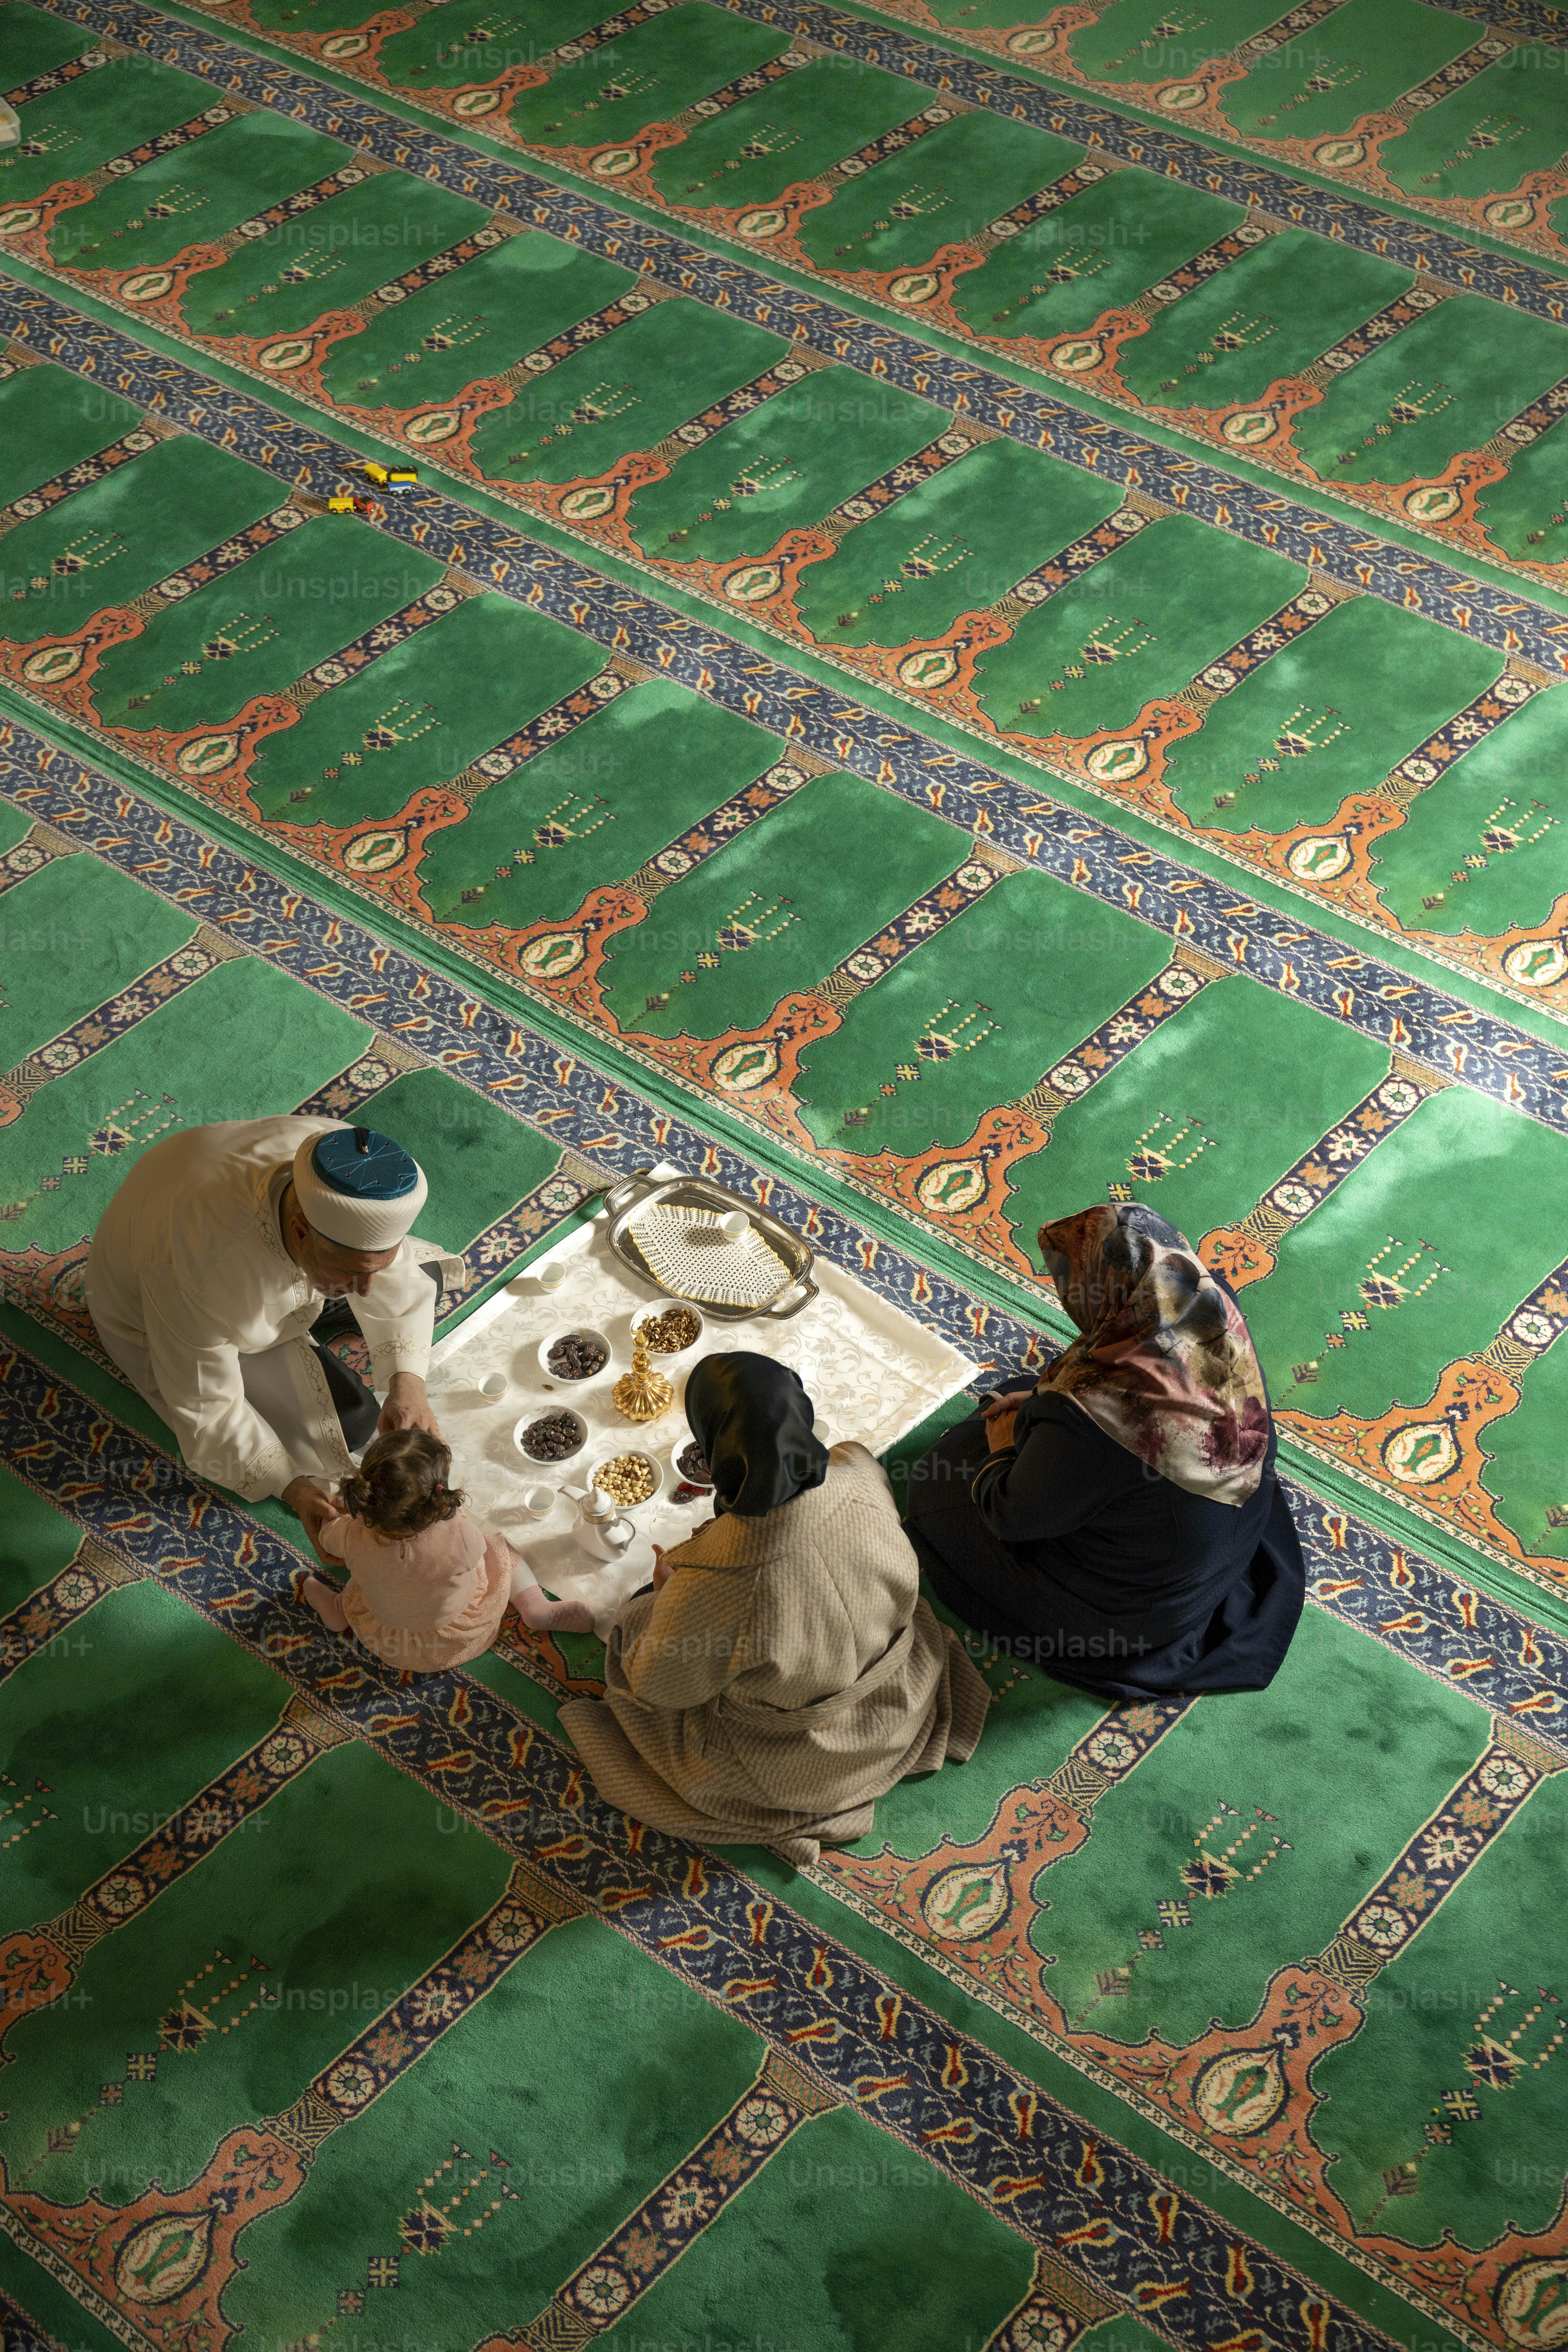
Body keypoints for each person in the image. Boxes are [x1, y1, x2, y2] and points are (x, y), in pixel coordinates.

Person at [560, 1353, 990, 1867]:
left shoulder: (719, 1586)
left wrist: (667, 1593)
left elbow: (659, 1687)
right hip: (898, 1686)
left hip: (799, 1750)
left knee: (633, 1630)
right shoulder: (858, 1471)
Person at [904, 1203, 1305, 1700]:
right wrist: (1041, 1406)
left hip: (1130, 1616)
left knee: (936, 1486)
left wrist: (1007, 1442)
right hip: (1223, 1541)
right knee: (1032, 1390)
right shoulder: (1208, 1307)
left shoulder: (1097, 1415)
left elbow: (1014, 1519)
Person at [86, 1118, 460, 1548]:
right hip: (171, 1316)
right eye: (353, 1273)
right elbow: (207, 1407)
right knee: (351, 1422)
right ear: (301, 1234)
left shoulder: (343, 1169)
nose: (367, 1289)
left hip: (285, 1270)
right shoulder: (205, 1275)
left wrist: (408, 1386)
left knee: (426, 1276)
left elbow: (388, 1277)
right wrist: (294, 1487)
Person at [301, 1426, 592, 1667]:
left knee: (370, 1573)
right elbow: (480, 1552)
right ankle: (536, 1608)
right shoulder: (461, 1534)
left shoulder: (351, 1534)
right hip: (453, 1635)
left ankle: (339, 1610)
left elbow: (328, 1537)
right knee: (501, 1549)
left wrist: (342, 1515)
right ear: (439, 1496)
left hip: (389, 1637)